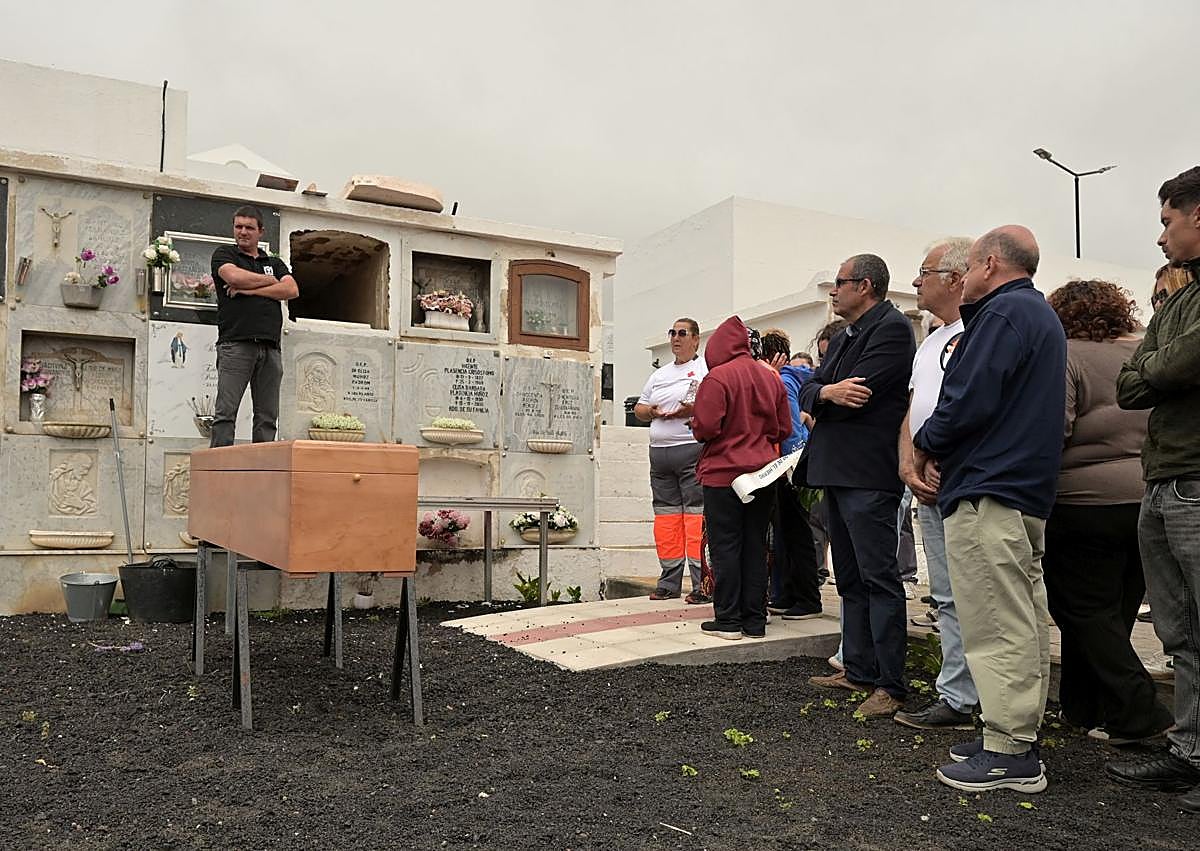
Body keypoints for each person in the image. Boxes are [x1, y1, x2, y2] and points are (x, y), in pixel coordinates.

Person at [913, 225, 1065, 793]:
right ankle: (1013, 734)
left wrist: (926, 443)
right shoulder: (1035, 314)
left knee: (995, 620)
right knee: (1018, 617)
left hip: (989, 489)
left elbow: (967, 399)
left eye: (971, 265)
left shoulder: (1002, 314)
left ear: (990, 264)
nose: (964, 278)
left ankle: (1009, 750)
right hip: (1018, 489)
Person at [1041, 279, 1172, 744]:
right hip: (1145, 495)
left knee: (1080, 610)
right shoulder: (1141, 354)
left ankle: (1141, 712)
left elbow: (1055, 428)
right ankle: (1084, 707)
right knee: (1115, 612)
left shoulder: (1065, 356)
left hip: (1082, 502)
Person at [1108, 167, 1200, 812]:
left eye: (1168, 221)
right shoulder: (1183, 298)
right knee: (1181, 632)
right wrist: (1159, 364)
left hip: (1193, 478)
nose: (1161, 236)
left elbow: (1168, 365)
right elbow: (1131, 383)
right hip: (1163, 477)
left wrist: (1157, 365)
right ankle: (1189, 751)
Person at [802, 254, 915, 718]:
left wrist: (823, 394)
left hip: (868, 475)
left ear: (864, 285)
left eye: (840, 282)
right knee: (849, 578)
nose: (833, 290)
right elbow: (812, 388)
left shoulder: (891, 330)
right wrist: (827, 392)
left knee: (878, 578)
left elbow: (860, 394)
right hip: (838, 472)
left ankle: (890, 684)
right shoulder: (848, 334)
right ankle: (859, 669)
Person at [894, 237, 979, 732]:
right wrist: (908, 464)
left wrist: (933, 459)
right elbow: (915, 407)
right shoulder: (930, 341)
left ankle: (972, 695)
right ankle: (956, 693)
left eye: (923, 272)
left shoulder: (977, 332)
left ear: (954, 278)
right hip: (926, 480)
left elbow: (966, 407)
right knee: (945, 594)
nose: (915, 281)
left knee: (973, 593)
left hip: (958, 479)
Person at [690, 316, 791, 639]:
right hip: (763, 474)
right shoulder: (771, 377)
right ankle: (754, 620)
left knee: (726, 547)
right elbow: (783, 429)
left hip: (724, 475)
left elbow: (705, 428)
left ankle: (728, 620)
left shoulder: (718, 378)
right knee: (755, 545)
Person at [209, 205, 298, 447]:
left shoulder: (274, 262)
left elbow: (291, 289)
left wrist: (248, 291)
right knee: (226, 413)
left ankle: (263, 465)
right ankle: (218, 465)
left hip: (270, 348)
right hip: (236, 344)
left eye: (249, 227)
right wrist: (270, 281)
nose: (243, 232)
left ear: (261, 231)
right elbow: (234, 277)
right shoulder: (225, 254)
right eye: (238, 226)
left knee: (267, 416)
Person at [634, 318, 709, 602]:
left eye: (682, 333)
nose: (675, 338)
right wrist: (651, 411)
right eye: (672, 333)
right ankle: (669, 582)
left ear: (696, 339)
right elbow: (639, 407)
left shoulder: (705, 369)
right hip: (660, 454)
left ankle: (703, 582)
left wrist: (691, 410)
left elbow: (713, 404)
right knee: (666, 520)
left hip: (691, 449)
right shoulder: (660, 374)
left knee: (695, 517)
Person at [759, 331, 822, 620]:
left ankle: (807, 598)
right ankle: (789, 594)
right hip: (792, 465)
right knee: (787, 534)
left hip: (788, 468)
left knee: (796, 533)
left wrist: (788, 467)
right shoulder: (794, 378)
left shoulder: (783, 382)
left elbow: (791, 428)